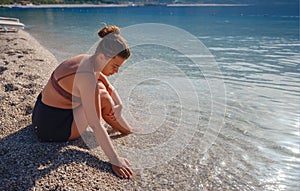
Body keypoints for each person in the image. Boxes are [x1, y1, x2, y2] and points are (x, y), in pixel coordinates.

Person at [32, 25, 134, 179]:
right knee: (103, 98)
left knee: (101, 89)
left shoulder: (86, 59)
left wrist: (120, 105)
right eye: (115, 66)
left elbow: (107, 84)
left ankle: (125, 127)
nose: (116, 71)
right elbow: (96, 125)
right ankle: (127, 131)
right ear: (102, 57)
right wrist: (115, 160)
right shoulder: (87, 77)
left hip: (40, 113)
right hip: (52, 129)